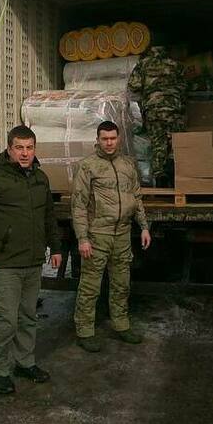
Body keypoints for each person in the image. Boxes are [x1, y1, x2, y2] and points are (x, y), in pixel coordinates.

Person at [0, 125, 63, 395]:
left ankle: (24, 363)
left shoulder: (40, 178)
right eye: (19, 147)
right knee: (5, 320)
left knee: (28, 316)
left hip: (32, 262)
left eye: (29, 148)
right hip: (4, 264)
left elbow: (48, 216)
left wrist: (56, 247)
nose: (25, 153)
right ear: (9, 149)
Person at [70, 121, 152, 352]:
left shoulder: (127, 165)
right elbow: (78, 206)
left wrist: (144, 227)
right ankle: (84, 331)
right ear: (97, 140)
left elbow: (136, 197)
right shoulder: (87, 166)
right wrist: (82, 238)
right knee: (90, 287)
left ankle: (121, 324)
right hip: (98, 235)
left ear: (119, 139)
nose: (109, 143)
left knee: (121, 284)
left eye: (112, 138)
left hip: (123, 234)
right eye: (104, 138)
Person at [127, 46, 186, 186]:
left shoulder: (143, 65)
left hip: (153, 111)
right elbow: (184, 87)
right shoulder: (176, 65)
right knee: (176, 144)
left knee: (158, 144)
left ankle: (160, 177)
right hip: (173, 110)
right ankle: (176, 174)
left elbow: (134, 85)